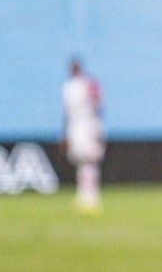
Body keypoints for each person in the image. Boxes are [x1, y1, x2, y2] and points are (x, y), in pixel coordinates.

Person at [61, 56, 104, 214]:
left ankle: (92, 197)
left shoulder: (87, 84)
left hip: (87, 124)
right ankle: (84, 196)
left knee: (89, 161)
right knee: (82, 162)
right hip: (77, 126)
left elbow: (98, 103)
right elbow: (67, 112)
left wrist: (96, 126)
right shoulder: (70, 86)